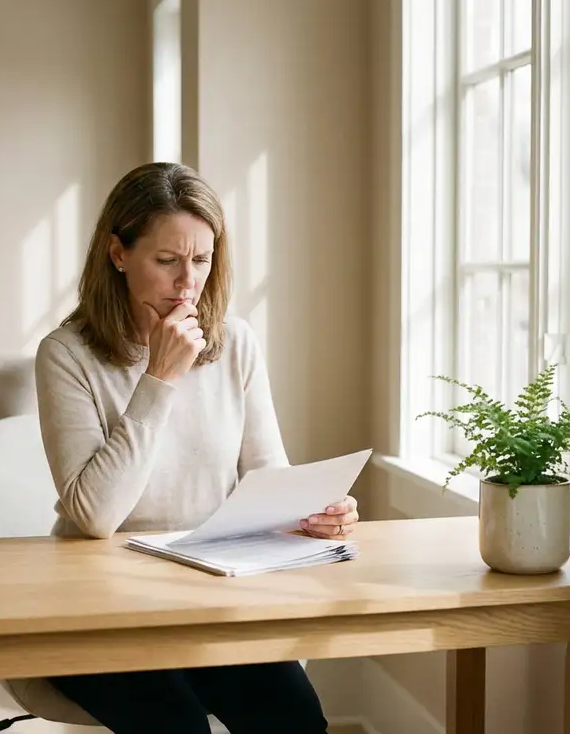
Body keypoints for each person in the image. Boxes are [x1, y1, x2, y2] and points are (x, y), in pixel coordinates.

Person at [34, 161, 359, 734]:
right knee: (178, 725)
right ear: (118, 254)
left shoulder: (235, 341)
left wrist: (312, 513)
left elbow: (267, 475)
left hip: (210, 598)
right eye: (167, 261)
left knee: (298, 720)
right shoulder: (66, 354)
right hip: (97, 611)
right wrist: (158, 379)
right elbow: (93, 517)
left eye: (202, 260)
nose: (188, 283)